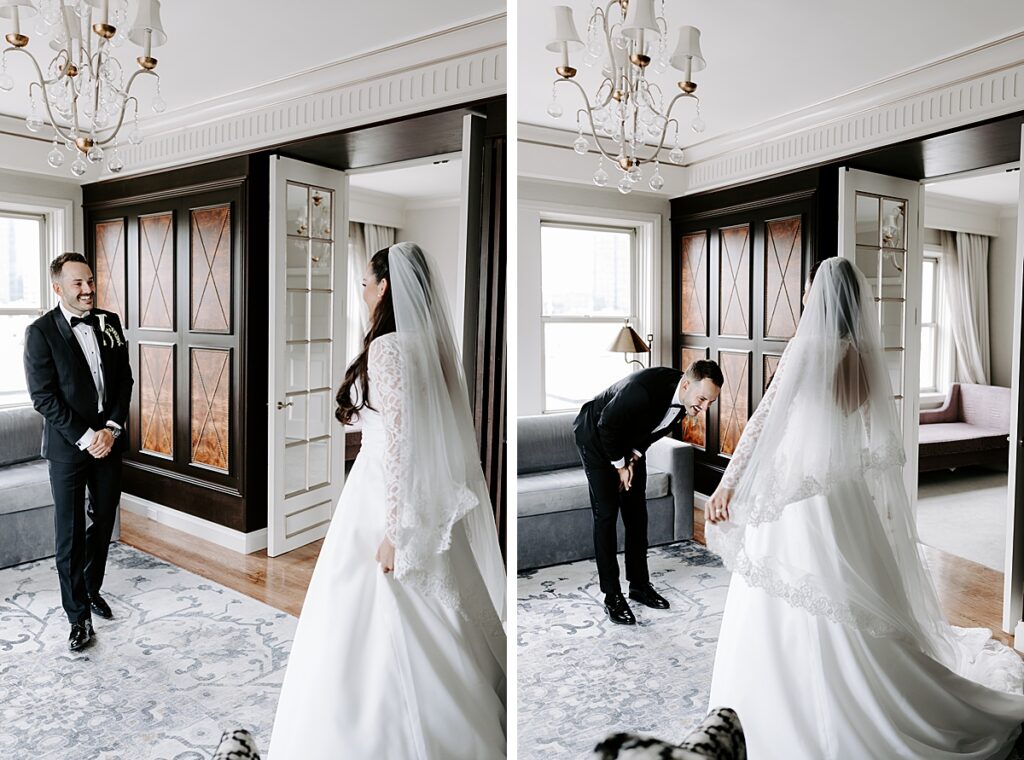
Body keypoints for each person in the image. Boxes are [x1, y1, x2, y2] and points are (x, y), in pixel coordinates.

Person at [705, 257, 1024, 758]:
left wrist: (729, 485)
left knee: (796, 598)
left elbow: (763, 422)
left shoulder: (804, 349)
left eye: (811, 287)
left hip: (797, 499)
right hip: (845, 496)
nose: (807, 295)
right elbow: (859, 433)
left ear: (822, 295)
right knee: (852, 589)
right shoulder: (860, 356)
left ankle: (788, 707)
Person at [268, 243, 506, 759]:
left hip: (385, 494)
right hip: (422, 492)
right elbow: (420, 422)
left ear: (384, 287)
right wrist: (363, 416)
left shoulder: (389, 348)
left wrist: (397, 530)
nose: (363, 291)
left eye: (364, 282)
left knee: (380, 608)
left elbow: (401, 440)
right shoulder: (431, 345)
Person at [23, 252, 133, 652]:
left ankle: (91, 587)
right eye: (78, 284)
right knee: (69, 534)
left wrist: (112, 428)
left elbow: (124, 380)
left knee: (104, 520)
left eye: (90, 281)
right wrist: (89, 436)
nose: (88, 290)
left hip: (109, 440)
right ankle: (77, 617)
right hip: (69, 448)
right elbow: (44, 398)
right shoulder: (39, 333)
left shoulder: (109, 323)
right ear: (58, 288)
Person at [573, 361, 722, 624]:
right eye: (702, 399)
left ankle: (639, 585)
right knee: (606, 514)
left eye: (710, 402)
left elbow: (653, 430)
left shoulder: (686, 398)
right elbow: (607, 425)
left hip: (627, 442)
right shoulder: (642, 390)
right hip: (596, 435)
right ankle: (612, 596)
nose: (705, 408)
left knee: (637, 514)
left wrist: (633, 458)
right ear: (686, 385)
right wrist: (620, 466)